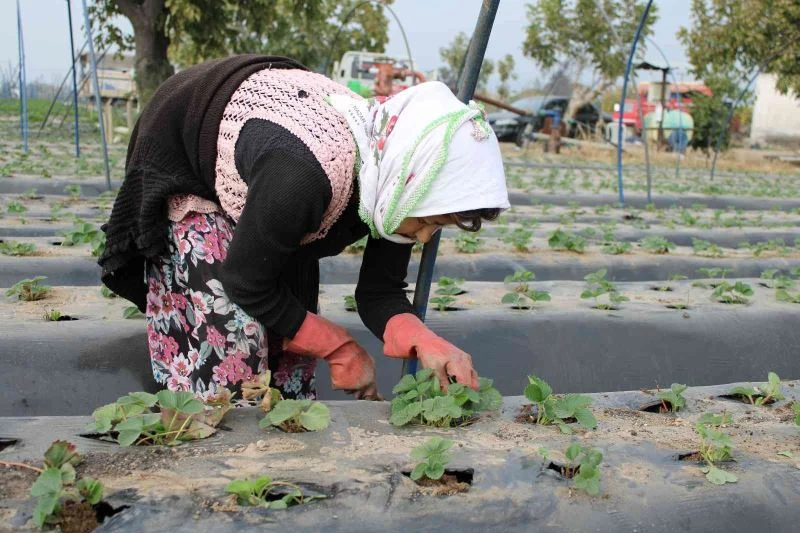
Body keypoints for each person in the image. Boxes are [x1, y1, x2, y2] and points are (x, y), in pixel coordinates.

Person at [99, 54, 509, 402]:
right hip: (185, 147)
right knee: (232, 349)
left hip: (273, 182)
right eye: (430, 222)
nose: (422, 236)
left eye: (437, 226)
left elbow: (378, 292)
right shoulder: (304, 177)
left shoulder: (395, 179)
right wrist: (339, 347)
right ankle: (217, 472)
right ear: (409, 182)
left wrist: (426, 341)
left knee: (291, 352)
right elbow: (245, 280)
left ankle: (282, 461)